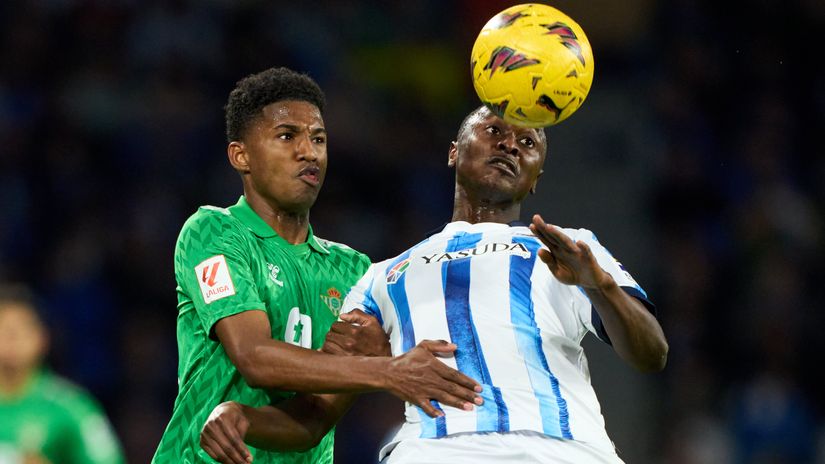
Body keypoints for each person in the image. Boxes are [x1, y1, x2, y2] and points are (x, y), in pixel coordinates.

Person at [201, 105, 669, 463]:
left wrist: (600, 286)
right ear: (453, 151)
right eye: (494, 132)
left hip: (564, 450)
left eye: (527, 143)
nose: (509, 145)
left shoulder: (569, 251)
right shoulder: (383, 276)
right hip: (438, 452)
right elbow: (313, 418)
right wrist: (244, 418)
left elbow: (652, 354)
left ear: (536, 180)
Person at [152, 67, 482, 464]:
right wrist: (388, 371)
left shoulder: (353, 271)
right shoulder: (214, 233)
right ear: (241, 156)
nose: (309, 151)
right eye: (287, 135)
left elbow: (312, 423)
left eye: (319, 139)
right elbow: (253, 356)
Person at [0, 284, 125, 464]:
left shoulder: (71, 407)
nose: (12, 339)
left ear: (42, 338)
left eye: (20, 330)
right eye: (3, 329)